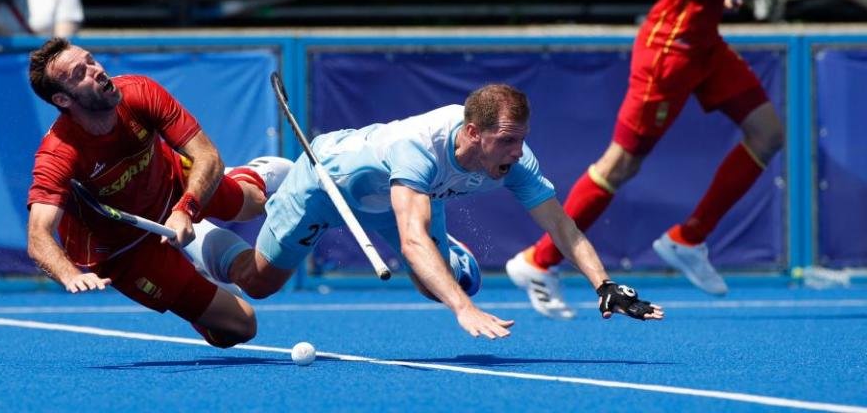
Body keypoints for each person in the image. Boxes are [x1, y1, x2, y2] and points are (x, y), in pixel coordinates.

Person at [506, 0, 785, 317]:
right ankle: (538, 261)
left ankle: (689, 239)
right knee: (621, 164)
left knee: (768, 133)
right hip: (670, 49)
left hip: (704, 43)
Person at [182, 83, 664, 339]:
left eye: (521, 139)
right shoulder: (419, 148)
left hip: (395, 202)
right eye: (508, 141)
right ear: (473, 133)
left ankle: (449, 266)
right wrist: (464, 308)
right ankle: (252, 195)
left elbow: (560, 224)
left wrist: (603, 283)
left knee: (435, 283)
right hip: (328, 181)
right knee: (256, 283)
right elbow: (411, 239)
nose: (518, 152)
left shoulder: (513, 158)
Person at [25, 37, 292, 348]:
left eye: (91, 60)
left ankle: (250, 177)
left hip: (172, 184)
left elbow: (207, 156)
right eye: (79, 73)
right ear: (62, 99)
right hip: (123, 251)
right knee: (241, 327)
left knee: (254, 204)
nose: (96, 70)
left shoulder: (139, 92)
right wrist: (69, 275)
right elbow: (38, 236)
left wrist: (186, 208)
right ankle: (200, 261)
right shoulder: (58, 153)